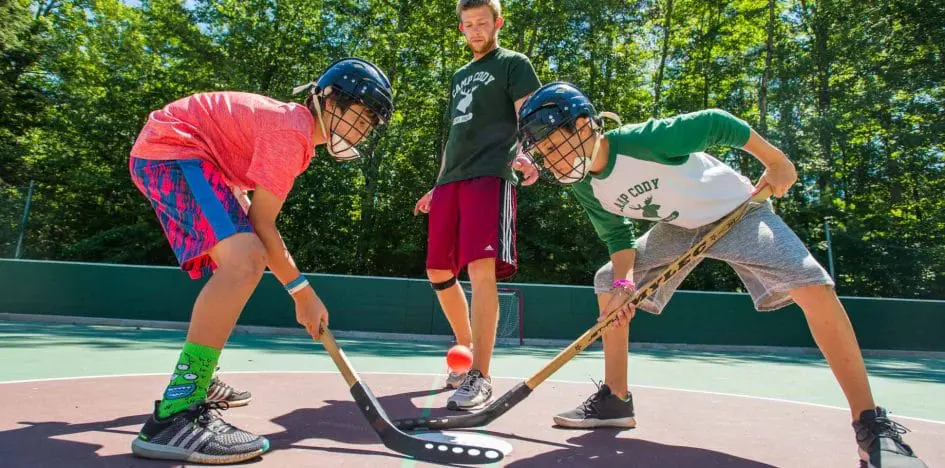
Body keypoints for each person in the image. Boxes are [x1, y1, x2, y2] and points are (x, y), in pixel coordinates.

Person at [515, 81, 928, 468]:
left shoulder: (644, 141)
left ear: (585, 126)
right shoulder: (586, 185)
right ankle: (616, 401)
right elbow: (618, 239)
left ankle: (871, 425)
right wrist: (625, 286)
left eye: (555, 145)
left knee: (812, 284)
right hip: (678, 229)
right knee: (607, 281)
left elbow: (718, 122)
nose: (553, 159)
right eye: (546, 153)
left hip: (737, 211)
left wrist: (776, 161)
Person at [127, 58, 393, 464]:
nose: (367, 123)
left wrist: (296, 287)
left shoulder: (291, 131)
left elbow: (255, 217)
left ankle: (200, 376)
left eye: (373, 118)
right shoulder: (292, 132)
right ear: (329, 99)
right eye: (363, 110)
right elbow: (262, 224)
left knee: (243, 256)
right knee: (245, 258)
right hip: (174, 149)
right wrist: (302, 293)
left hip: (200, 160)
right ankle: (176, 414)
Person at [412, 0, 541, 410]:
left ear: (497, 23)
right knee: (437, 268)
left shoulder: (512, 63)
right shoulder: (459, 76)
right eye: (467, 24)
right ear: (461, 28)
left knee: (480, 270)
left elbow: (530, 116)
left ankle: (481, 375)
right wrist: (438, 184)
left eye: (482, 23)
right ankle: (464, 348)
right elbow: (455, 136)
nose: (475, 30)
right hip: (452, 180)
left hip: (491, 174)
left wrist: (530, 154)